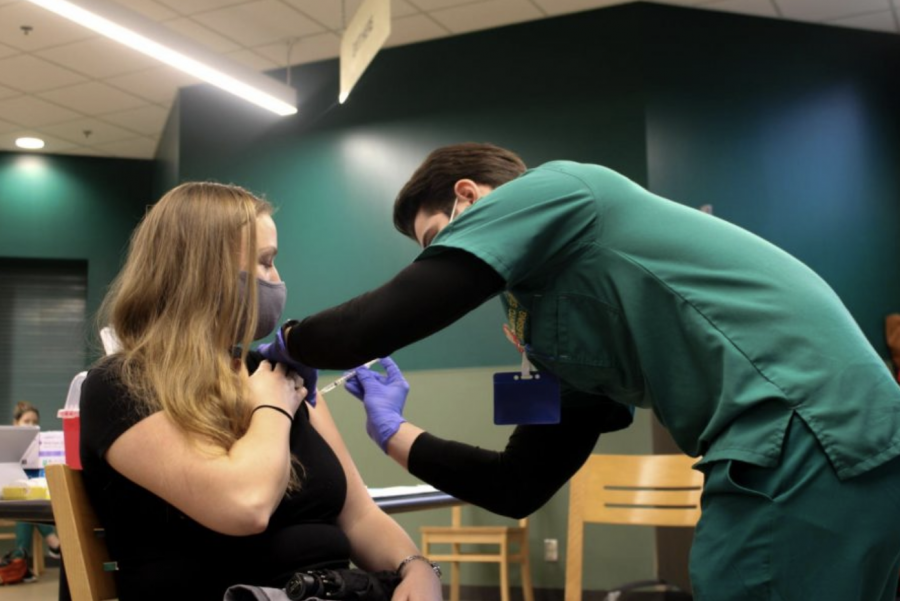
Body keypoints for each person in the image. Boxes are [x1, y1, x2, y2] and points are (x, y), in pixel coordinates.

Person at [266, 143, 900, 600]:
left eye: (435, 240)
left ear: (470, 196)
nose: (438, 259)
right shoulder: (538, 328)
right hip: (805, 450)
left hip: (808, 432)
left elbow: (397, 311)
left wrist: (291, 342)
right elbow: (518, 482)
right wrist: (392, 430)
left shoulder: (563, 186)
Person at [79, 182, 442, 601]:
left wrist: (416, 568)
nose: (277, 280)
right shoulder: (123, 383)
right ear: (202, 273)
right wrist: (271, 406)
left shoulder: (278, 373)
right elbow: (244, 506)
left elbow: (358, 515)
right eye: (265, 263)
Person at [11, 401, 61, 583]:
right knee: (25, 501)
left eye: (35, 421)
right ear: (16, 423)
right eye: (27, 421)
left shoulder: (41, 445)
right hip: (8, 491)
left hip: (24, 493)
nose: (31, 425)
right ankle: (52, 541)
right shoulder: (7, 442)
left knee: (26, 503)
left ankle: (20, 559)